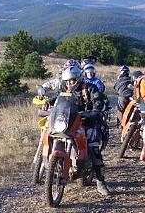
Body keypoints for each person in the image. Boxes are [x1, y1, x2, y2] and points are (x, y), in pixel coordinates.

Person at [39, 64, 112, 196]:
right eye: (67, 81)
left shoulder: (90, 88)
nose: (69, 83)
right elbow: (58, 100)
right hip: (70, 122)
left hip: (88, 122)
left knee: (93, 148)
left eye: (72, 80)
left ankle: (101, 182)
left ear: (78, 79)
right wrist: (48, 104)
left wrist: (94, 111)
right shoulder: (65, 88)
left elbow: (98, 104)